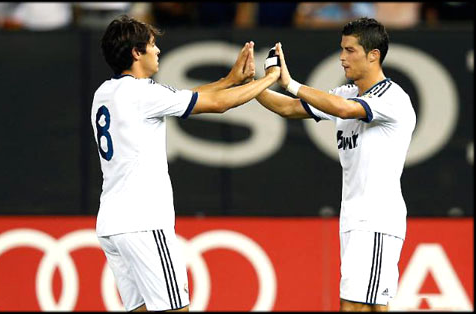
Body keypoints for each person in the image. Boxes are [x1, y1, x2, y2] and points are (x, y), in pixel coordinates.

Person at [91, 15, 279, 312]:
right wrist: (269, 80)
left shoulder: (104, 93)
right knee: (176, 308)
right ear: (136, 53)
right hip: (144, 221)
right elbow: (218, 105)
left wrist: (230, 80)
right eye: (151, 45)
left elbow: (186, 97)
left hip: (112, 224)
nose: (157, 51)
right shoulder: (143, 93)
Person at [253, 18, 416, 311]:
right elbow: (288, 108)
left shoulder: (392, 98)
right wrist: (252, 84)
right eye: (342, 49)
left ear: (373, 55)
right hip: (355, 219)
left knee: (353, 306)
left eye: (350, 50)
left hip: (377, 219)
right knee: (369, 307)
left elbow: (344, 110)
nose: (342, 57)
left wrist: (290, 83)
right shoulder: (346, 93)